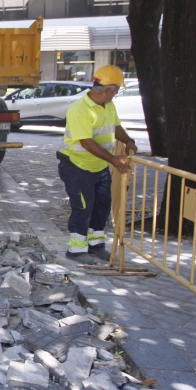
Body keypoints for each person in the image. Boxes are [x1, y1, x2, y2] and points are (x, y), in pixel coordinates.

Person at [57, 65, 138, 264]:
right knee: (83, 207)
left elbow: (115, 126)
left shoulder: (108, 105)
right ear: (109, 89)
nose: (116, 95)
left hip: (99, 167)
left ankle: (96, 246)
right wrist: (113, 160)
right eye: (116, 90)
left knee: (102, 206)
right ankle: (76, 250)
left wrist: (128, 140)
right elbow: (86, 142)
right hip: (77, 167)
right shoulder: (80, 109)